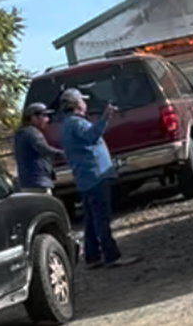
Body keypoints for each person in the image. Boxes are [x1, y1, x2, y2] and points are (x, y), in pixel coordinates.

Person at [58, 88, 140, 269]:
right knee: (101, 218)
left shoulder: (67, 124)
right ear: (76, 104)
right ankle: (111, 256)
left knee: (91, 220)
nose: (85, 104)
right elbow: (91, 137)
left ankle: (93, 256)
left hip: (85, 179)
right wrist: (105, 117)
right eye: (82, 100)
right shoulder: (77, 123)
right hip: (94, 177)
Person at [12, 103, 64, 195]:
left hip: (28, 183)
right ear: (33, 117)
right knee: (47, 206)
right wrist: (62, 153)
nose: (47, 120)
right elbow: (43, 149)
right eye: (44, 116)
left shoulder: (21, 133)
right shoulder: (32, 133)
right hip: (38, 182)